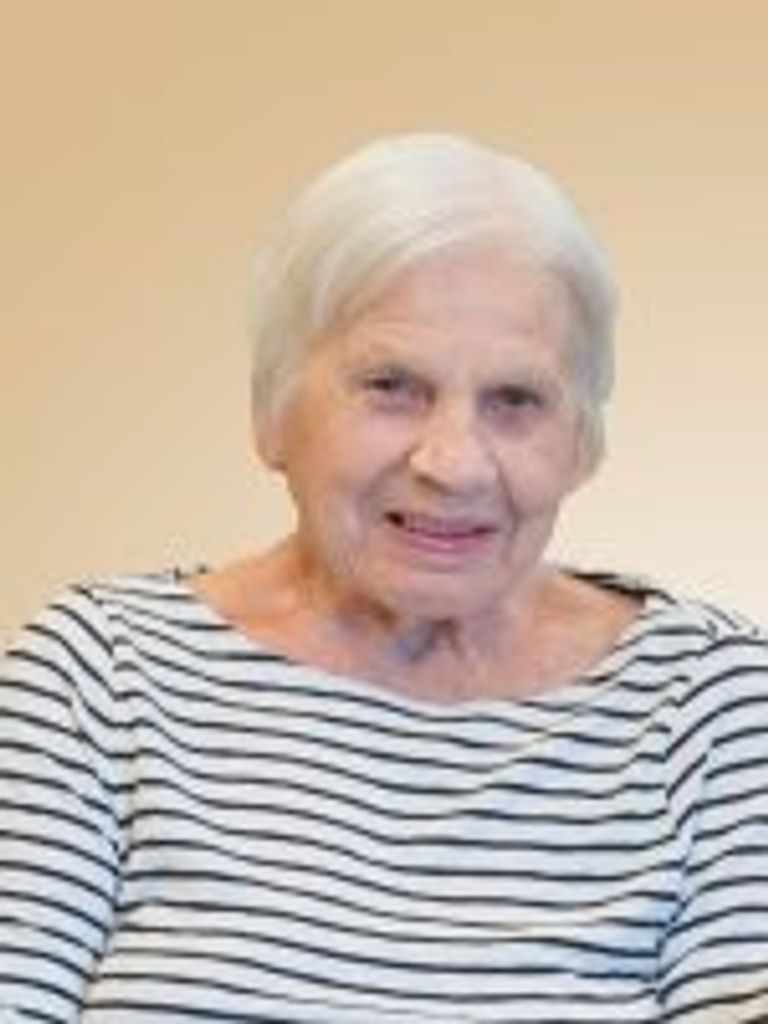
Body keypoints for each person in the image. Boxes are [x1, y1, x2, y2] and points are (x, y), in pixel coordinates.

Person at [2, 133, 768, 1023]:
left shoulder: (711, 706)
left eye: (516, 400)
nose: (454, 462)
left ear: (583, 443)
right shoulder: (100, 679)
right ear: (273, 411)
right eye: (392, 385)